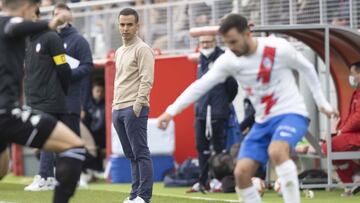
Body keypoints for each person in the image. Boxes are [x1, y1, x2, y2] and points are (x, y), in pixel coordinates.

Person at [157, 14, 337, 203]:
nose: (231, 47)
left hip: (291, 113)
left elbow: (307, 67)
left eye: (234, 41)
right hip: (263, 121)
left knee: (277, 151)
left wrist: (322, 102)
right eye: (227, 43)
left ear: (247, 33)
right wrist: (170, 112)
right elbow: (200, 86)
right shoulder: (229, 59)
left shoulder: (277, 47)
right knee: (241, 173)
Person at [0, 0, 86, 203]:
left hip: (16, 107)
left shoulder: (28, 37)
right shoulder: (10, 24)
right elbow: (13, 25)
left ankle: (45, 176)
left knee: (2, 169)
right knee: (74, 146)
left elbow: (63, 66)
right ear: (25, 9)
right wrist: (51, 22)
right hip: (6, 112)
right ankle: (47, 180)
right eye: (33, 12)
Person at [25, 2, 94, 190]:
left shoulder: (79, 41)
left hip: (70, 97)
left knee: (72, 139)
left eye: (63, 13)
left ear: (70, 16)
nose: (59, 17)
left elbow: (88, 66)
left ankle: (76, 176)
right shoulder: (46, 37)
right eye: (56, 14)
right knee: (47, 137)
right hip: (51, 97)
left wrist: (68, 74)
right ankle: (45, 175)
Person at [23, 7, 72, 192]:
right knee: (45, 139)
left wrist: (60, 91)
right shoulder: (27, 40)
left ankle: (45, 177)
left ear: (37, 16)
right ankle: (50, 176)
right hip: (34, 99)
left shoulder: (51, 37)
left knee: (46, 137)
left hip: (50, 99)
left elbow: (64, 68)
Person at [112, 8, 155, 203]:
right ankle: (134, 195)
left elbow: (147, 80)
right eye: (122, 24)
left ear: (137, 26)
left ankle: (144, 197)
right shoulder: (119, 50)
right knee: (131, 155)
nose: (125, 28)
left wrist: (138, 105)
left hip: (133, 108)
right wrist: (115, 106)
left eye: (129, 24)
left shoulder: (143, 49)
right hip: (118, 108)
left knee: (140, 153)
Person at [188, 35, 236, 193]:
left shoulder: (223, 58)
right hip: (201, 112)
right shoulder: (201, 59)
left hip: (217, 112)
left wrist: (222, 102)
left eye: (208, 41)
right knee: (201, 148)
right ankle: (203, 181)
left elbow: (232, 85)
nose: (205, 44)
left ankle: (219, 180)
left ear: (215, 43)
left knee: (219, 148)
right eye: (203, 42)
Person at [322, 62, 360, 197]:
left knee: (329, 146)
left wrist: (342, 131)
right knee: (328, 145)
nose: (351, 77)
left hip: (357, 135)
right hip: (354, 134)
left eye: (353, 74)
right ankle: (352, 180)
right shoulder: (356, 93)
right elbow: (352, 117)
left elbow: (358, 118)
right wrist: (340, 129)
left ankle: (352, 179)